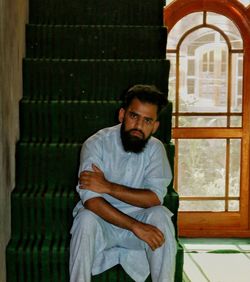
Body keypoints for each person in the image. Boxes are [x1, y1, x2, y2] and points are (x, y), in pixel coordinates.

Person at [69, 84, 177, 282]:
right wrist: (135, 226)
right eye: (133, 116)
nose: (138, 126)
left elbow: (153, 199)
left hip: (140, 225)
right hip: (102, 226)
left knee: (160, 216)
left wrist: (108, 186)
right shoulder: (96, 143)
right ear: (122, 115)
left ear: (155, 126)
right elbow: (91, 201)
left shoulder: (155, 149)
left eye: (147, 120)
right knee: (85, 219)